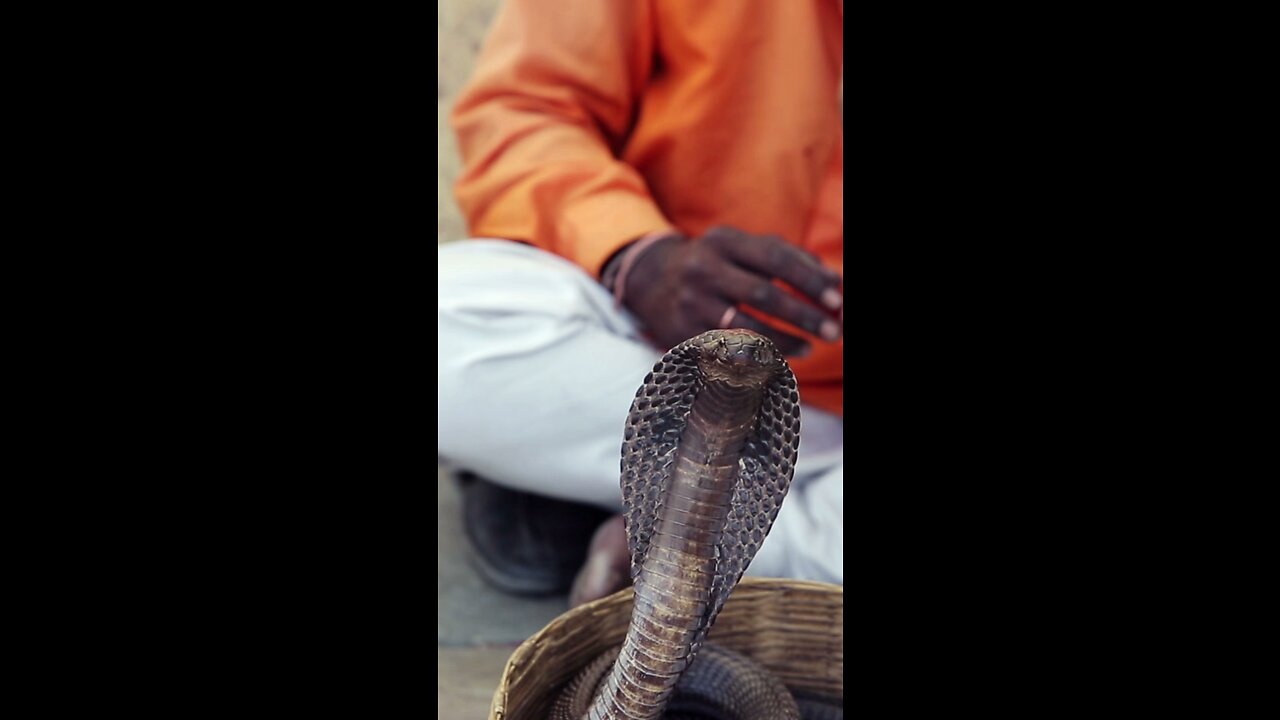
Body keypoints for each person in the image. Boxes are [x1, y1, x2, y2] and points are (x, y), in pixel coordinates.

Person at [439, 0, 844, 605]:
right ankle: (725, 523)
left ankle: (661, 522)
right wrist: (637, 255)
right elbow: (525, 108)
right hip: (636, 336)